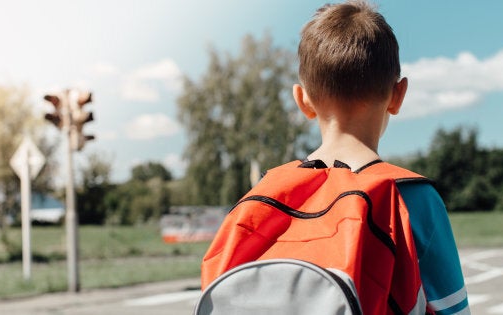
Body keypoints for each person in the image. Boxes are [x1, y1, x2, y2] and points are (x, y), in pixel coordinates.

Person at [200, 1, 469, 314]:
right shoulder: (413, 197)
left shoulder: (261, 196)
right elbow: (454, 308)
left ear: (302, 100)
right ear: (398, 95)